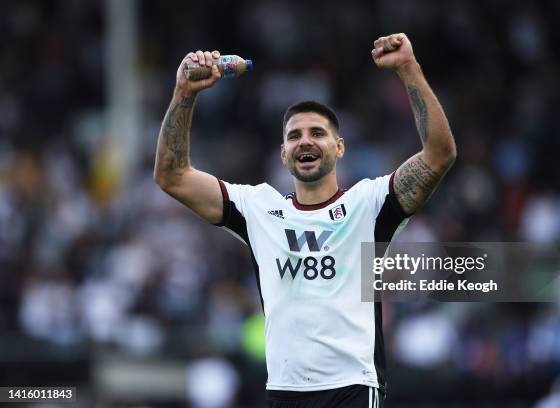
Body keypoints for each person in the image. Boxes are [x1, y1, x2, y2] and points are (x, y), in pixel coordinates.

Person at [154, 33, 456, 408]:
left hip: (352, 387)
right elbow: (172, 176)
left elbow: (440, 154)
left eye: (317, 133)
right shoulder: (258, 208)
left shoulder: (369, 203)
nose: (305, 141)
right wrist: (185, 92)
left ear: (339, 147)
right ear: (283, 154)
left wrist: (408, 69)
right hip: (284, 391)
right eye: (294, 136)